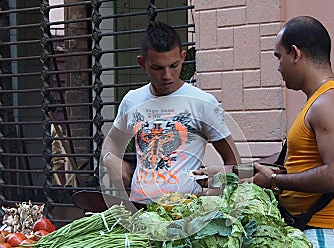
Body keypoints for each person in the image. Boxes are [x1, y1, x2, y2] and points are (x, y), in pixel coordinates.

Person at [251, 16, 334, 248]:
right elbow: (291, 161)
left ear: (295, 54)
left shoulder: (329, 102)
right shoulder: (319, 101)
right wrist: (231, 173)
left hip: (327, 240)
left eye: (278, 57)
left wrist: (274, 180)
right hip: (317, 237)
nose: (278, 67)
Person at [102, 21, 240, 205]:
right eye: (158, 68)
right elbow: (112, 141)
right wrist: (110, 159)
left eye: (174, 65)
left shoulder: (202, 103)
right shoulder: (132, 100)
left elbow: (234, 163)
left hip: (186, 214)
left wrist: (216, 178)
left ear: (183, 57)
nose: (167, 75)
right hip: (139, 211)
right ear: (142, 63)